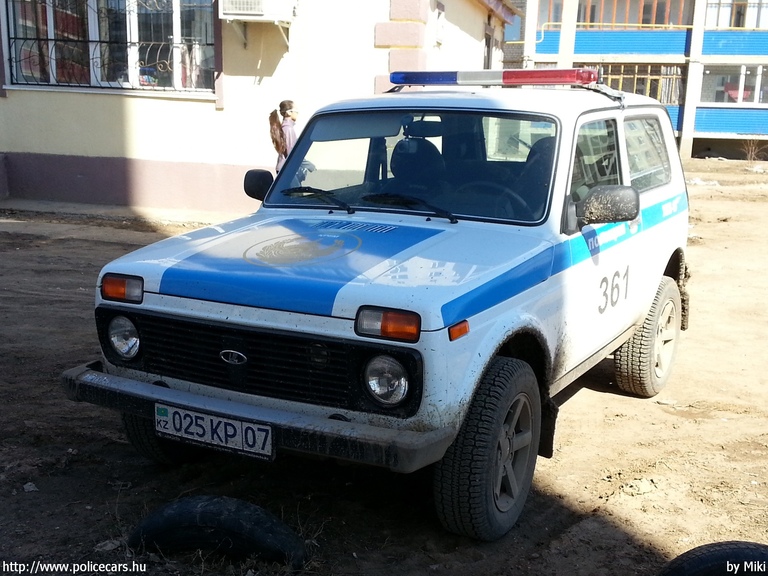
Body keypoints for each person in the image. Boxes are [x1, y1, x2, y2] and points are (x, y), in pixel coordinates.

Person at [269, 100, 298, 173]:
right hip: (287, 169)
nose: (297, 113)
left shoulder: (285, 128)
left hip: (283, 168)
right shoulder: (288, 129)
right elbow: (291, 152)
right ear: (289, 112)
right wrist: (307, 165)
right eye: (296, 111)